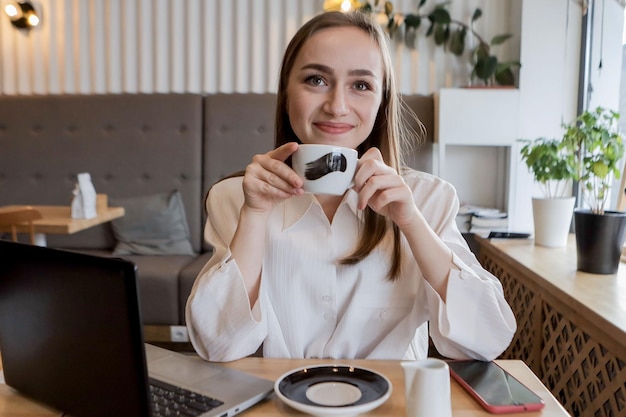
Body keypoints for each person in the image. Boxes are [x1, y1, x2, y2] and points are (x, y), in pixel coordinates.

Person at [186, 11, 516, 362]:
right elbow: (217, 344)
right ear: (286, 95)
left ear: (381, 101)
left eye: (361, 85)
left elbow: (487, 339)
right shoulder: (235, 198)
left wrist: (411, 222)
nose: (337, 106)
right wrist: (254, 215)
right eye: (316, 80)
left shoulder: (428, 200)